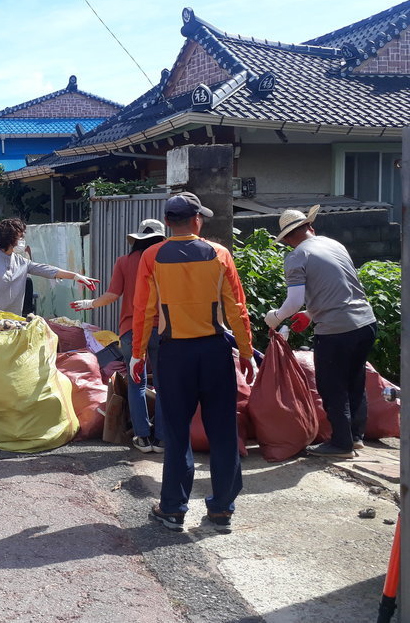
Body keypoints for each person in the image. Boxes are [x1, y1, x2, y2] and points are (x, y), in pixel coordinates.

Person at [131, 192, 255, 532]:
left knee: (175, 431)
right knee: (223, 431)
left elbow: (144, 310)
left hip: (174, 354)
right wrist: (246, 352)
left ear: (168, 223)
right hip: (215, 351)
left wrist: (138, 354)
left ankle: (172, 508)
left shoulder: (152, 256)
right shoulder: (219, 254)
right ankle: (221, 510)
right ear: (197, 219)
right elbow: (237, 309)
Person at [263, 206, 377, 458]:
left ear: (289, 238)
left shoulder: (296, 257)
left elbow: (294, 302)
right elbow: (339, 285)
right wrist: (311, 314)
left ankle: (340, 444)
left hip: (337, 329)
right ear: (310, 228)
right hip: (365, 323)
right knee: (355, 380)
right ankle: (356, 437)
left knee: (331, 385)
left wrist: (276, 317)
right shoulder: (333, 244)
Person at [0, 218, 99, 428]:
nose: (22, 240)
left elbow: (46, 269)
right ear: (10, 238)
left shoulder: (21, 262)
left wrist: (76, 276)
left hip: (9, 325)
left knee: (3, 366)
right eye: (20, 236)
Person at [72, 218, 167, 453]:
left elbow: (112, 295)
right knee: (165, 385)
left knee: (136, 382)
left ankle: (142, 437)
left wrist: (88, 304)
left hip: (131, 330)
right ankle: (162, 439)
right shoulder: (167, 261)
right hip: (163, 330)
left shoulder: (125, 261)